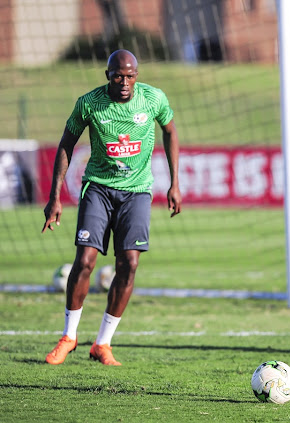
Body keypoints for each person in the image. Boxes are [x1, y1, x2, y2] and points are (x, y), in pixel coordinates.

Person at [42, 49, 182, 366]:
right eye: (118, 75)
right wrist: (55, 196)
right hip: (99, 188)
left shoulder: (153, 99)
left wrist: (175, 183)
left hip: (137, 192)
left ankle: (102, 344)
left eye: (130, 75)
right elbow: (66, 143)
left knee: (129, 264)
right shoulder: (90, 103)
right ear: (108, 75)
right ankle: (69, 336)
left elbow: (170, 130)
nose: (124, 81)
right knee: (86, 259)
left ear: (137, 75)